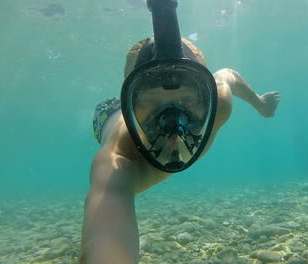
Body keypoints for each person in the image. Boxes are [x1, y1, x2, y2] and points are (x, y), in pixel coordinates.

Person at [80, 0, 280, 263]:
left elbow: (227, 76)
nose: (173, 125)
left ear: (207, 97)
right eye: (150, 105)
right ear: (130, 104)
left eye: (188, 101)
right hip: (109, 114)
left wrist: (260, 103)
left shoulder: (219, 101)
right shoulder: (119, 158)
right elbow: (104, 233)